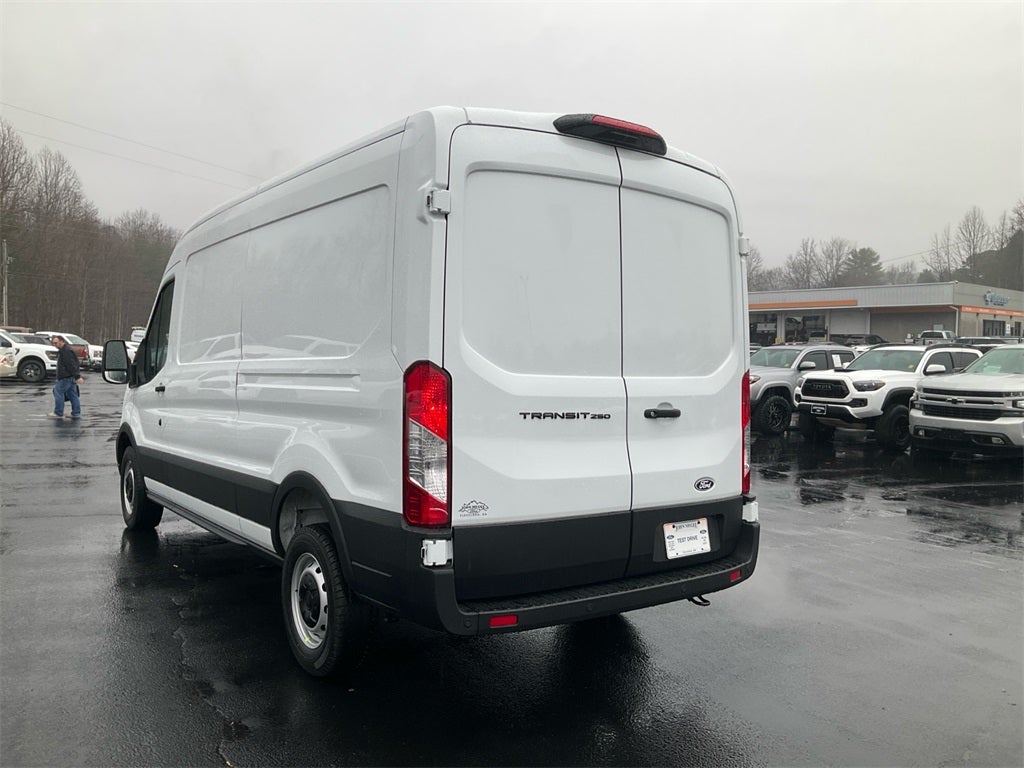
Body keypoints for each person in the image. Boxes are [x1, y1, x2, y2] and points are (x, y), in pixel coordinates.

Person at [49, 334, 84, 419]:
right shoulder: (66, 350)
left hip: (65, 377)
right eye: (53, 343)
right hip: (70, 377)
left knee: (58, 393)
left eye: (56, 343)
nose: (55, 345)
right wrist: (76, 376)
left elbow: (71, 364)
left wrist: (77, 376)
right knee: (73, 395)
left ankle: (58, 412)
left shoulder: (66, 351)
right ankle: (76, 413)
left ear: (62, 341)